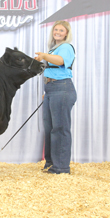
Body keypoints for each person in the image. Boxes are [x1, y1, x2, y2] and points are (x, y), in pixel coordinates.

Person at [35, 20, 77, 174]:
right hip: (52, 89)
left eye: (61, 30)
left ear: (66, 33)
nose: (58, 32)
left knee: (60, 128)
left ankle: (61, 167)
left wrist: (44, 55)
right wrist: (47, 91)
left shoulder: (66, 47)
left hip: (62, 89)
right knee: (50, 128)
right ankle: (51, 163)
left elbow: (61, 62)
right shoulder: (53, 49)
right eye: (55, 29)